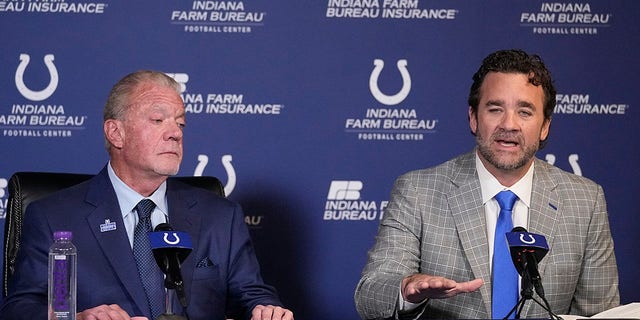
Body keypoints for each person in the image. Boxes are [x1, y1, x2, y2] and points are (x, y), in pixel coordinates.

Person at [0, 70, 294, 320]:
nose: (175, 133)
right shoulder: (56, 217)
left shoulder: (220, 216)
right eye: (158, 120)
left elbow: (252, 295)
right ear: (116, 133)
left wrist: (266, 310)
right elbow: (23, 307)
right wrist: (76, 318)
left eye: (180, 123)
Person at [354, 49, 619, 319]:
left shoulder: (585, 201)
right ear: (473, 117)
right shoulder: (417, 192)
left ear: (545, 127)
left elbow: (601, 313)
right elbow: (371, 294)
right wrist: (406, 289)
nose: (509, 124)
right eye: (495, 109)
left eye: (525, 112)